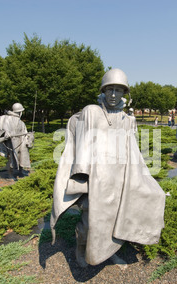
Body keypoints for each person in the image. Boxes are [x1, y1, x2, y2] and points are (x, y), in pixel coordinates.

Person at [51, 68, 166, 268]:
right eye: (110, 89)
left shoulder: (128, 120)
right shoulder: (92, 112)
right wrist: (81, 178)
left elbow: (133, 153)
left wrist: (143, 179)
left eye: (119, 90)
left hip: (120, 179)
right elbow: (82, 144)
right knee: (90, 222)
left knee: (117, 220)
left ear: (125, 94)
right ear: (103, 91)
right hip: (95, 179)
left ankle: (110, 252)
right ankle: (81, 248)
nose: (113, 95)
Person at [0, 103, 34, 177]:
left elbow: (24, 132)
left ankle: (21, 171)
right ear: (20, 112)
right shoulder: (7, 119)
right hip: (11, 142)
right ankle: (10, 172)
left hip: (21, 141)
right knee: (12, 158)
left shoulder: (21, 122)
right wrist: (7, 134)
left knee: (22, 155)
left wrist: (29, 135)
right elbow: (5, 129)